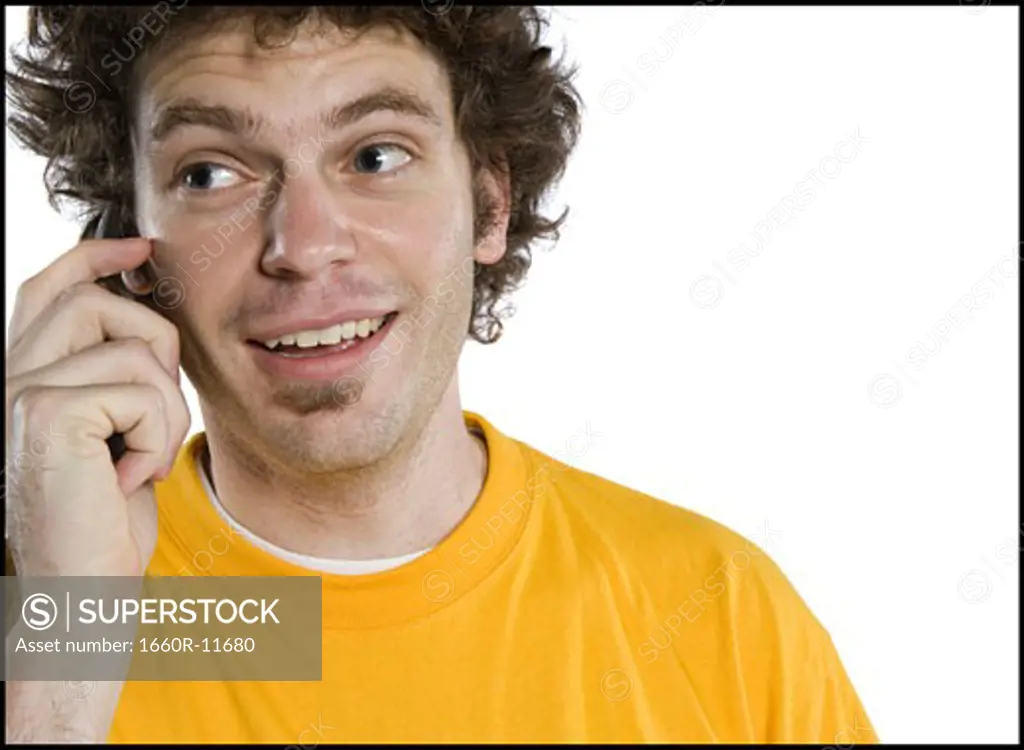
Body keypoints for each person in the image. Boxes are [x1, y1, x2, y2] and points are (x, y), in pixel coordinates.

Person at [4, 6, 878, 744]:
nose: (303, 247)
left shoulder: (720, 613)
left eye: (376, 157)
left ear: (489, 206)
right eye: (209, 172)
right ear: (132, 251)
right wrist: (67, 641)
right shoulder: (49, 610)